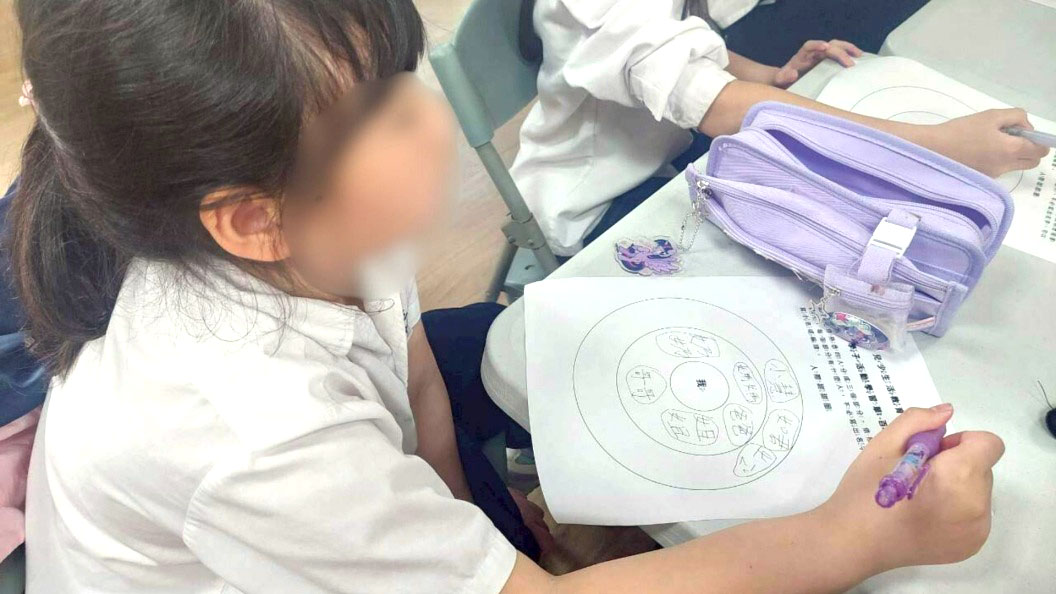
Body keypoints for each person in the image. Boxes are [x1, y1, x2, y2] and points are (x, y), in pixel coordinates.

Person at [9, 1, 1004, 592]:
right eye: (382, 113)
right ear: (252, 220)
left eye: (406, 77)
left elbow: (416, 382)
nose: (432, 118)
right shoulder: (251, 432)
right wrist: (856, 537)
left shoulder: (321, 230)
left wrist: (480, 530)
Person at [511, 0, 1048, 256]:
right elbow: (716, 105)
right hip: (595, 205)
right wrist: (940, 147)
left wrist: (772, 76)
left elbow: (686, 46)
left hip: (670, 156)